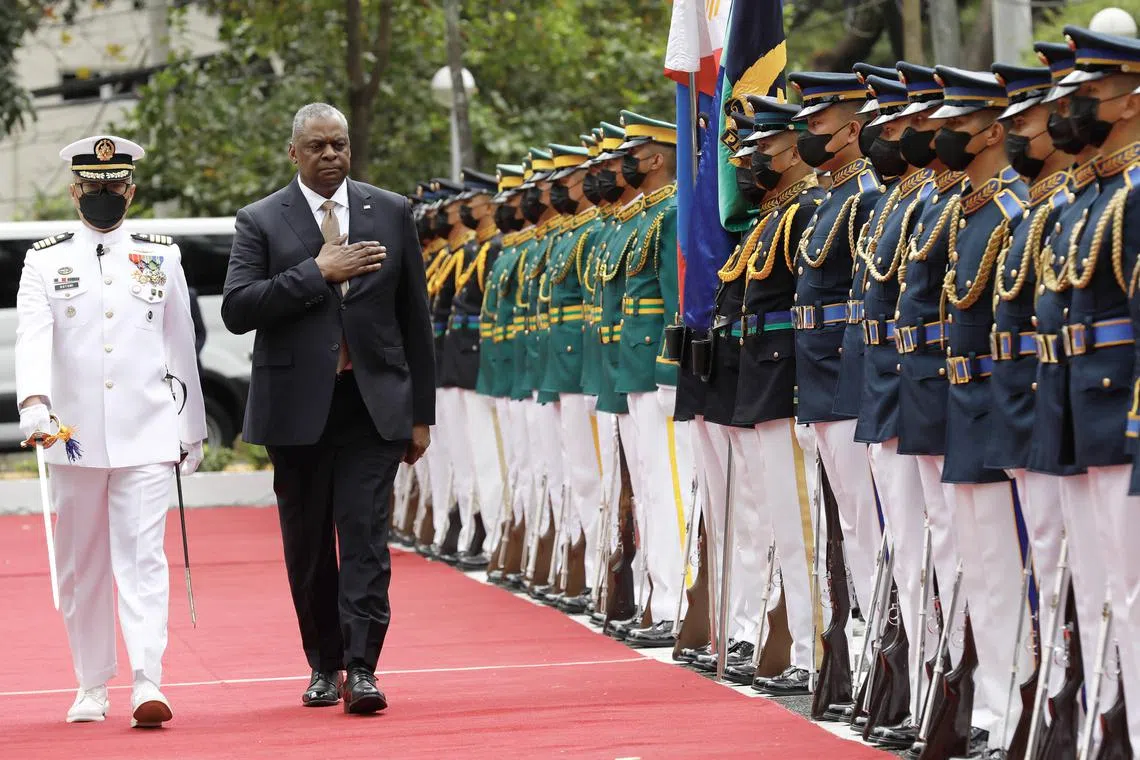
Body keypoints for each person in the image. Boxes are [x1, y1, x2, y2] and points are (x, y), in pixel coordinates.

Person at [221, 102, 435, 715]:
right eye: (317, 146)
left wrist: (421, 413)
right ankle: (324, 664)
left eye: (339, 144)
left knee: (366, 537)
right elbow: (239, 308)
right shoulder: (260, 220)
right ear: (294, 153)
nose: (331, 155)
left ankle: (364, 668)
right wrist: (317, 272)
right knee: (309, 545)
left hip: (373, 405)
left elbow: (413, 318)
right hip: (297, 411)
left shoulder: (390, 211)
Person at [15, 134, 206, 727]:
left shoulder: (161, 257)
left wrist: (191, 428)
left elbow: (181, 347)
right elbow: (33, 337)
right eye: (93, 187)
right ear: (75, 191)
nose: (104, 195)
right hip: (71, 439)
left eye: (114, 187)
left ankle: (148, 679)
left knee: (143, 557)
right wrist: (33, 403)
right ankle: (91, 683)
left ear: (131, 189)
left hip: (147, 433)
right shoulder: (45, 260)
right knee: (83, 563)